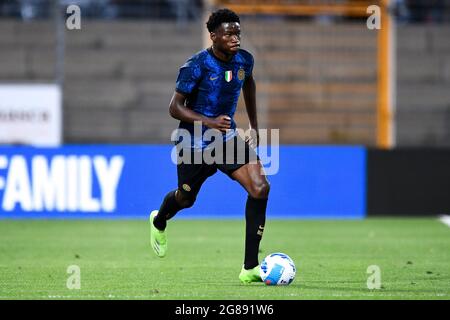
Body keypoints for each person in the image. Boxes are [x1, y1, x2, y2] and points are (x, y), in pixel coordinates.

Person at [149, 8, 270, 284]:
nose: (235, 38)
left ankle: (250, 267)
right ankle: (159, 220)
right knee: (186, 198)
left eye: (238, 32)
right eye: (229, 33)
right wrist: (209, 121)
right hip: (193, 143)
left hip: (226, 139)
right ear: (213, 36)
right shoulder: (196, 65)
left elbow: (248, 84)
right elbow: (174, 108)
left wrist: (253, 124)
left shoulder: (244, 61)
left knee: (260, 187)